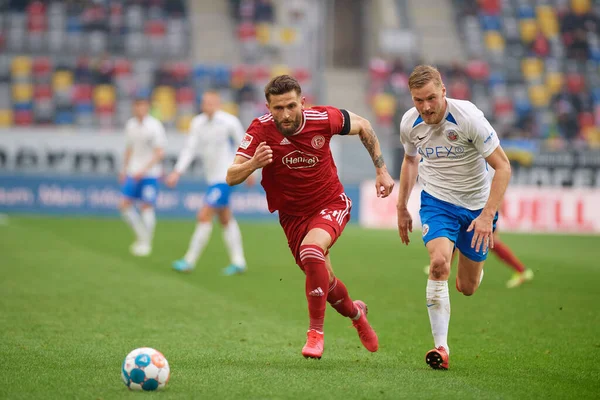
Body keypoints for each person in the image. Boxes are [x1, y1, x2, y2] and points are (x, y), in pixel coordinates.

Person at [226, 75, 395, 359]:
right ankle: (357, 314)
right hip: (292, 217)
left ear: (302, 102)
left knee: (311, 250)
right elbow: (231, 176)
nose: (285, 114)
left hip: (330, 202)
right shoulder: (260, 129)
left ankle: (315, 333)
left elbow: (365, 126)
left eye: (291, 105)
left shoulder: (324, 118)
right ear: (268, 107)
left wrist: (381, 170)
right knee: (324, 282)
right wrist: (254, 163)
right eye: (277, 108)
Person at [396, 65, 512, 370]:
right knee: (438, 264)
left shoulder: (468, 118)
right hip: (437, 203)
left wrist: (487, 216)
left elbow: (503, 167)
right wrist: (401, 206)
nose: (425, 107)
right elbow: (410, 161)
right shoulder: (410, 123)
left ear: (443, 91)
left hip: (476, 209)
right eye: (418, 100)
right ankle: (441, 348)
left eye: (431, 98)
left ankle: (466, 253)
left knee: (467, 288)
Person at [166, 90, 252, 275]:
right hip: (212, 177)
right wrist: (177, 172)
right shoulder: (197, 123)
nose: (208, 106)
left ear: (218, 103)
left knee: (204, 214)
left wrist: (249, 170)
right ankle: (239, 262)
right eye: (205, 102)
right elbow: (190, 149)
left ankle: (189, 260)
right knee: (224, 217)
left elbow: (244, 144)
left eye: (212, 102)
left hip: (227, 176)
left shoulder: (229, 122)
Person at [119, 97, 167, 257]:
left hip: (150, 174)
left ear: (147, 108)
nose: (140, 109)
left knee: (146, 206)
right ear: (134, 108)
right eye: (137, 106)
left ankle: (147, 243)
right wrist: (124, 169)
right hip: (133, 171)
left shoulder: (155, 126)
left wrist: (144, 169)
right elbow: (128, 149)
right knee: (124, 205)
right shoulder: (130, 125)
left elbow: (159, 153)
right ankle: (141, 236)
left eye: (143, 106)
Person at [422, 230, 535, 288]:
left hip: (482, 205)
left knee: (491, 240)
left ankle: (521, 270)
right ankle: (446, 265)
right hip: (479, 203)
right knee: (458, 236)